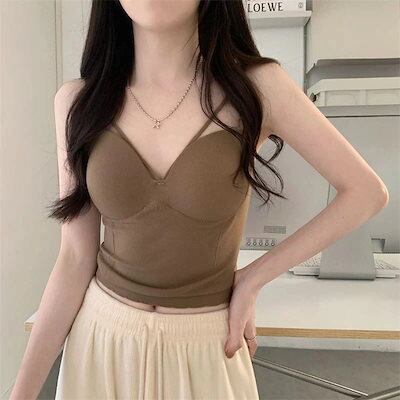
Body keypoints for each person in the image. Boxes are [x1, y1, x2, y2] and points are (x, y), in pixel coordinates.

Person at [10, 0, 389, 399]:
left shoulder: (258, 89)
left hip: (207, 346)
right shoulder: (78, 102)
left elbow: (365, 193)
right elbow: (74, 258)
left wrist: (253, 278)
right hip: (102, 345)